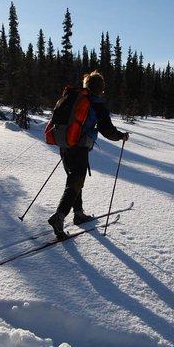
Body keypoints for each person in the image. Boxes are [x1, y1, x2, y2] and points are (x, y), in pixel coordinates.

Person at [48, 71, 129, 239]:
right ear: (101, 89)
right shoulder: (96, 104)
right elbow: (107, 130)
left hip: (65, 144)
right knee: (75, 182)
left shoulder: (74, 98)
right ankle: (59, 217)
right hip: (78, 148)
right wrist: (121, 136)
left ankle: (78, 214)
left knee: (74, 181)